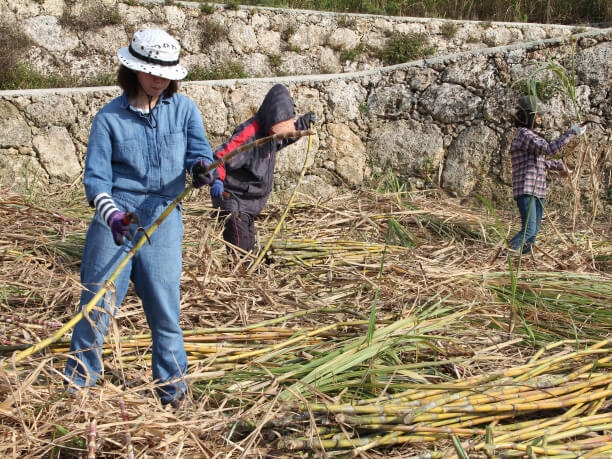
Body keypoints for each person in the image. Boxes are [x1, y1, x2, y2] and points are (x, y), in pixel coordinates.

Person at [65, 29, 216, 407]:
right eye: (152, 72)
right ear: (132, 70)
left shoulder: (184, 111)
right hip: (117, 219)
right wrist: (113, 216)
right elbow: (96, 180)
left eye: (166, 73)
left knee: (166, 312)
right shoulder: (109, 119)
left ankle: (173, 391)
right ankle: (78, 388)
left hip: (164, 218)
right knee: (96, 307)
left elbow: (201, 154)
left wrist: (202, 170)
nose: (159, 79)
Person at [208, 84, 315, 255]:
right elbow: (220, 158)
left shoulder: (272, 133)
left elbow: (284, 139)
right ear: (270, 120)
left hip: (250, 203)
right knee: (240, 251)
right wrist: (217, 180)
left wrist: (303, 124)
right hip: (233, 200)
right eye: (277, 133)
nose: (279, 137)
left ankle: (246, 272)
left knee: (248, 244)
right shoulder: (249, 135)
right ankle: (240, 277)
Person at [508, 95, 587, 255]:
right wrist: (572, 132)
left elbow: (541, 162)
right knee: (529, 230)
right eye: (537, 114)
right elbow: (549, 149)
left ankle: (521, 263)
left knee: (533, 235)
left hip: (538, 191)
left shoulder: (530, 136)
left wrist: (562, 167)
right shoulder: (523, 133)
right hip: (527, 190)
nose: (540, 117)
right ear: (527, 115)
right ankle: (505, 256)